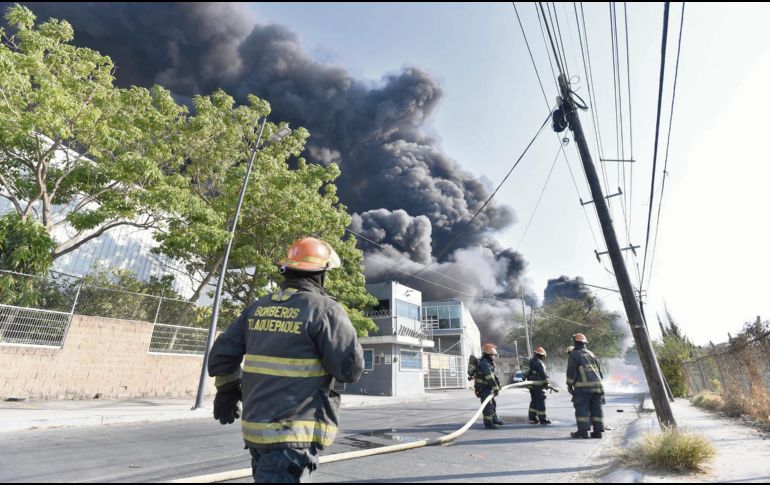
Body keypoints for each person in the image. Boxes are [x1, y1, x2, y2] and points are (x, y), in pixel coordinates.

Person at [208, 237, 364, 482]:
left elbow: (221, 355)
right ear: (321, 273)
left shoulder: (258, 307)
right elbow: (349, 370)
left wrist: (226, 390)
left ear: (288, 269)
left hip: (256, 435)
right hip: (293, 437)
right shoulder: (324, 309)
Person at [566, 333, 604, 439]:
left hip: (583, 388)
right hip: (598, 387)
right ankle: (598, 432)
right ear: (585, 343)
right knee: (596, 409)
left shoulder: (574, 354)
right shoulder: (592, 354)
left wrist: (569, 384)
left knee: (581, 408)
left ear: (575, 342)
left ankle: (582, 432)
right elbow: (600, 373)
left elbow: (571, 371)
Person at [473, 343, 503, 429]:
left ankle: (494, 419)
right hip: (483, 388)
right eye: (493, 355)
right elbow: (489, 377)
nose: (494, 357)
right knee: (487, 406)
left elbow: (493, 376)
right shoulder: (484, 363)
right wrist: (496, 388)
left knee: (492, 403)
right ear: (489, 355)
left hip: (488, 387)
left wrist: (498, 384)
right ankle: (488, 423)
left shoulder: (489, 362)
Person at [525, 346, 551, 425]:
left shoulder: (531, 361)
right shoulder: (539, 362)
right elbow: (542, 373)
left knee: (534, 400)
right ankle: (543, 419)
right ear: (542, 355)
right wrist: (545, 382)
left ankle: (532, 418)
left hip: (531, 384)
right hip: (537, 384)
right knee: (541, 400)